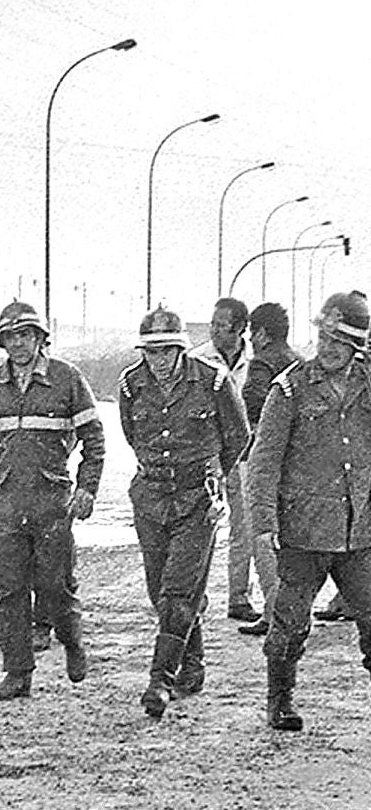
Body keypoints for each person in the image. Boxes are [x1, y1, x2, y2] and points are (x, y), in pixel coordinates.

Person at [0, 301, 106, 700]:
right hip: (4, 502)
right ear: (2, 342)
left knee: (55, 586)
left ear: (40, 338)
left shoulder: (67, 379)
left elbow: (95, 442)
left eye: (26, 335)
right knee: (8, 589)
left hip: (52, 501)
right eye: (11, 337)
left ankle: (72, 642)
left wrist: (86, 489)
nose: (19, 344)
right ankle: (17, 673)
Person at [247, 291, 371, 731]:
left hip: (359, 533)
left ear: (358, 343)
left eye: (342, 339)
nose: (330, 346)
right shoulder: (289, 388)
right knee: (289, 623)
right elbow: (263, 461)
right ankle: (279, 700)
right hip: (301, 531)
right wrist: (263, 522)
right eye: (325, 335)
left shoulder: (368, 383)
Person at [121, 307, 250, 717]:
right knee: (162, 590)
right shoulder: (130, 385)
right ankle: (192, 664)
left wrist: (209, 475)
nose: (157, 361)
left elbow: (238, 438)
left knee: (179, 590)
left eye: (166, 351)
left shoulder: (213, 382)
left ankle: (162, 679)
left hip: (196, 501)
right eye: (151, 352)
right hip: (151, 498)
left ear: (181, 349)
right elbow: (131, 434)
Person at [190, 297, 259, 622]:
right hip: (209, 458)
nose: (215, 331)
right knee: (201, 527)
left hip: (246, 457)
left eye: (222, 325)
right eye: (213, 324)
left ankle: (239, 597)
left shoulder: (256, 361)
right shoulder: (197, 360)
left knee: (243, 528)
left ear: (240, 328)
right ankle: (194, 596)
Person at [237, 302, 299, 637]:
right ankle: (290, 610)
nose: (248, 338)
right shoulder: (299, 363)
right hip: (296, 464)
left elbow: (255, 412)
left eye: (251, 332)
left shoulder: (261, 365)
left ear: (261, 333)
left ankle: (274, 614)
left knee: (261, 537)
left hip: (261, 458)